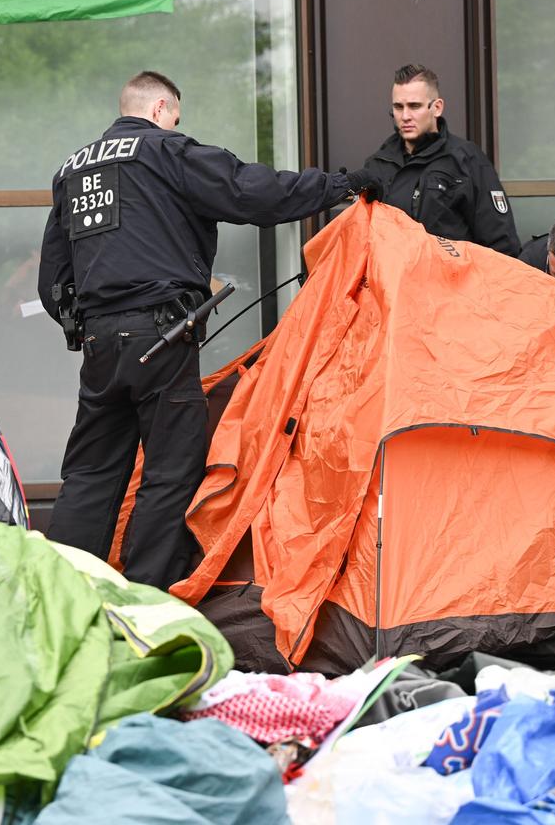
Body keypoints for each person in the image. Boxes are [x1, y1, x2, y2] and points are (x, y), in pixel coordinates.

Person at [37, 70, 378, 588]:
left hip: (101, 346)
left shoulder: (73, 171)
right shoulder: (167, 152)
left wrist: (82, 329)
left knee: (90, 474)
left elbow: (54, 275)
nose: (177, 126)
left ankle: (58, 592)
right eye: (175, 117)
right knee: (171, 472)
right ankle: (148, 598)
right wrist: (339, 185)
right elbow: (252, 192)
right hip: (162, 338)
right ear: (158, 110)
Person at [361, 63, 520, 255]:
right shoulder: (378, 164)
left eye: (414, 106)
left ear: (437, 107)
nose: (405, 116)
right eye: (398, 107)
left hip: (453, 280)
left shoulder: (466, 159)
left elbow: (501, 242)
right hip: (391, 281)